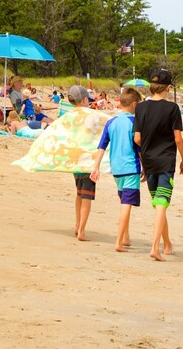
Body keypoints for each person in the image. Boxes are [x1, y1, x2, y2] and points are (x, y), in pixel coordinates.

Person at [134, 68, 183, 262]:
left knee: (159, 204)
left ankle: (167, 244)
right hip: (165, 161)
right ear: (167, 88)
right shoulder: (172, 109)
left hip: (148, 161)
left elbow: (137, 138)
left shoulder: (140, 108)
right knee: (161, 204)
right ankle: (155, 247)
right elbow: (178, 139)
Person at [90, 87, 143, 252]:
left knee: (123, 200)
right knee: (126, 204)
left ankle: (125, 237)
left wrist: (96, 166)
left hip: (116, 168)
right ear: (134, 105)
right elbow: (138, 145)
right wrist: (146, 166)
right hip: (131, 167)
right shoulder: (135, 122)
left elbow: (102, 145)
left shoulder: (111, 122)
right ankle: (119, 241)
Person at [65, 85, 98, 240]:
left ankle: (77, 225)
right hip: (87, 162)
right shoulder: (89, 115)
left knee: (79, 194)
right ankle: (82, 231)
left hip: (75, 161)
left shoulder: (69, 115)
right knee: (86, 196)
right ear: (84, 99)